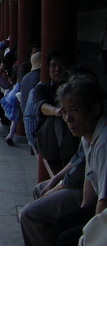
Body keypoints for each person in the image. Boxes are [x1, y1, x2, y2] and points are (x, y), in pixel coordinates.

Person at [52, 74, 107, 245]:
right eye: (65, 112)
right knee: (63, 222)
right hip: (100, 207)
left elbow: (104, 200)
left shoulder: (104, 143)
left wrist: (89, 236)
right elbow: (90, 180)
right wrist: (83, 213)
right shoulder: (87, 136)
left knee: (67, 239)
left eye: (74, 110)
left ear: (95, 109)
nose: (68, 118)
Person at [6, 51, 41, 146]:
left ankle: (10, 135)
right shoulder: (39, 78)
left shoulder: (27, 76)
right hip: (35, 113)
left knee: (15, 120)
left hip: (23, 105)